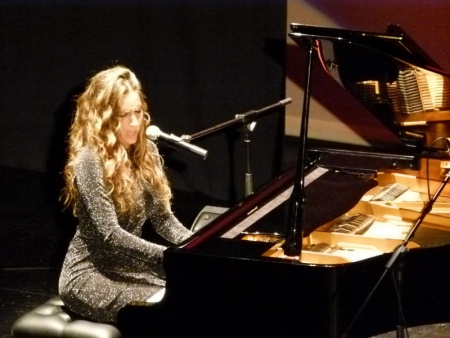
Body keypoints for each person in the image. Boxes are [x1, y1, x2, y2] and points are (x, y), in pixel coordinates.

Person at [58, 65, 192, 323]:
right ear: (105, 118)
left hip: (130, 266)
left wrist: (199, 246)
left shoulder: (148, 151)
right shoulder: (90, 160)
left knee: (197, 292)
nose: (134, 123)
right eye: (123, 115)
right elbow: (111, 235)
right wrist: (170, 257)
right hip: (89, 274)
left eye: (138, 112)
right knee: (170, 312)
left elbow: (164, 220)